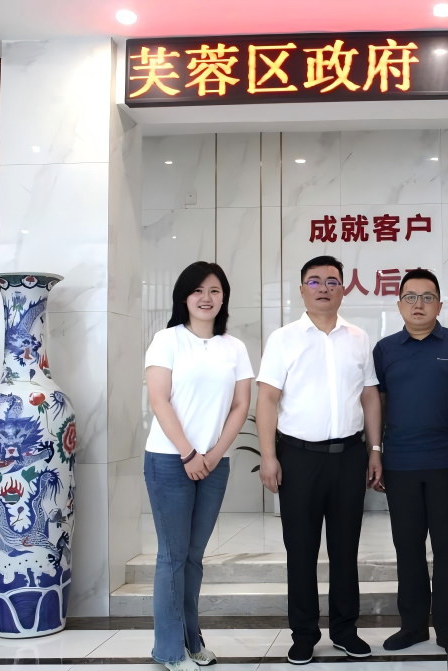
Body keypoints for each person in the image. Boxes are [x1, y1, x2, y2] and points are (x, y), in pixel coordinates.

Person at [255, 256, 383, 665]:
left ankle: (345, 630)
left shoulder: (358, 338)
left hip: (349, 456)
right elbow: (267, 400)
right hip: (298, 458)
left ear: (343, 289)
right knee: (301, 550)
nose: (323, 287)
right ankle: (304, 634)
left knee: (346, 550)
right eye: (314, 281)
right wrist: (269, 456)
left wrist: (375, 449)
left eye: (331, 281)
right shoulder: (283, 339)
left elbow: (369, 396)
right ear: (302, 289)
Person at [143, 262, 254, 671]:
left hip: (214, 463)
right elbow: (159, 399)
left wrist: (213, 453)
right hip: (169, 460)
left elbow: (240, 405)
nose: (206, 298)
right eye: (198, 290)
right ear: (184, 297)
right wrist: (189, 454)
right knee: (172, 557)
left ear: (224, 298)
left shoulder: (234, 347)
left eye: (215, 291)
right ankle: (169, 650)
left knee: (193, 557)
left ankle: (192, 640)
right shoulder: (167, 340)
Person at [373, 269, 448, 659]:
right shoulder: (385, 349)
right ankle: (412, 625)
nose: (419, 305)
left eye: (427, 297)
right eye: (411, 297)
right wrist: (376, 452)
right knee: (408, 547)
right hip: (400, 464)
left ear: (440, 305)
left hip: (447, 462)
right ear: (399, 305)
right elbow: (378, 404)